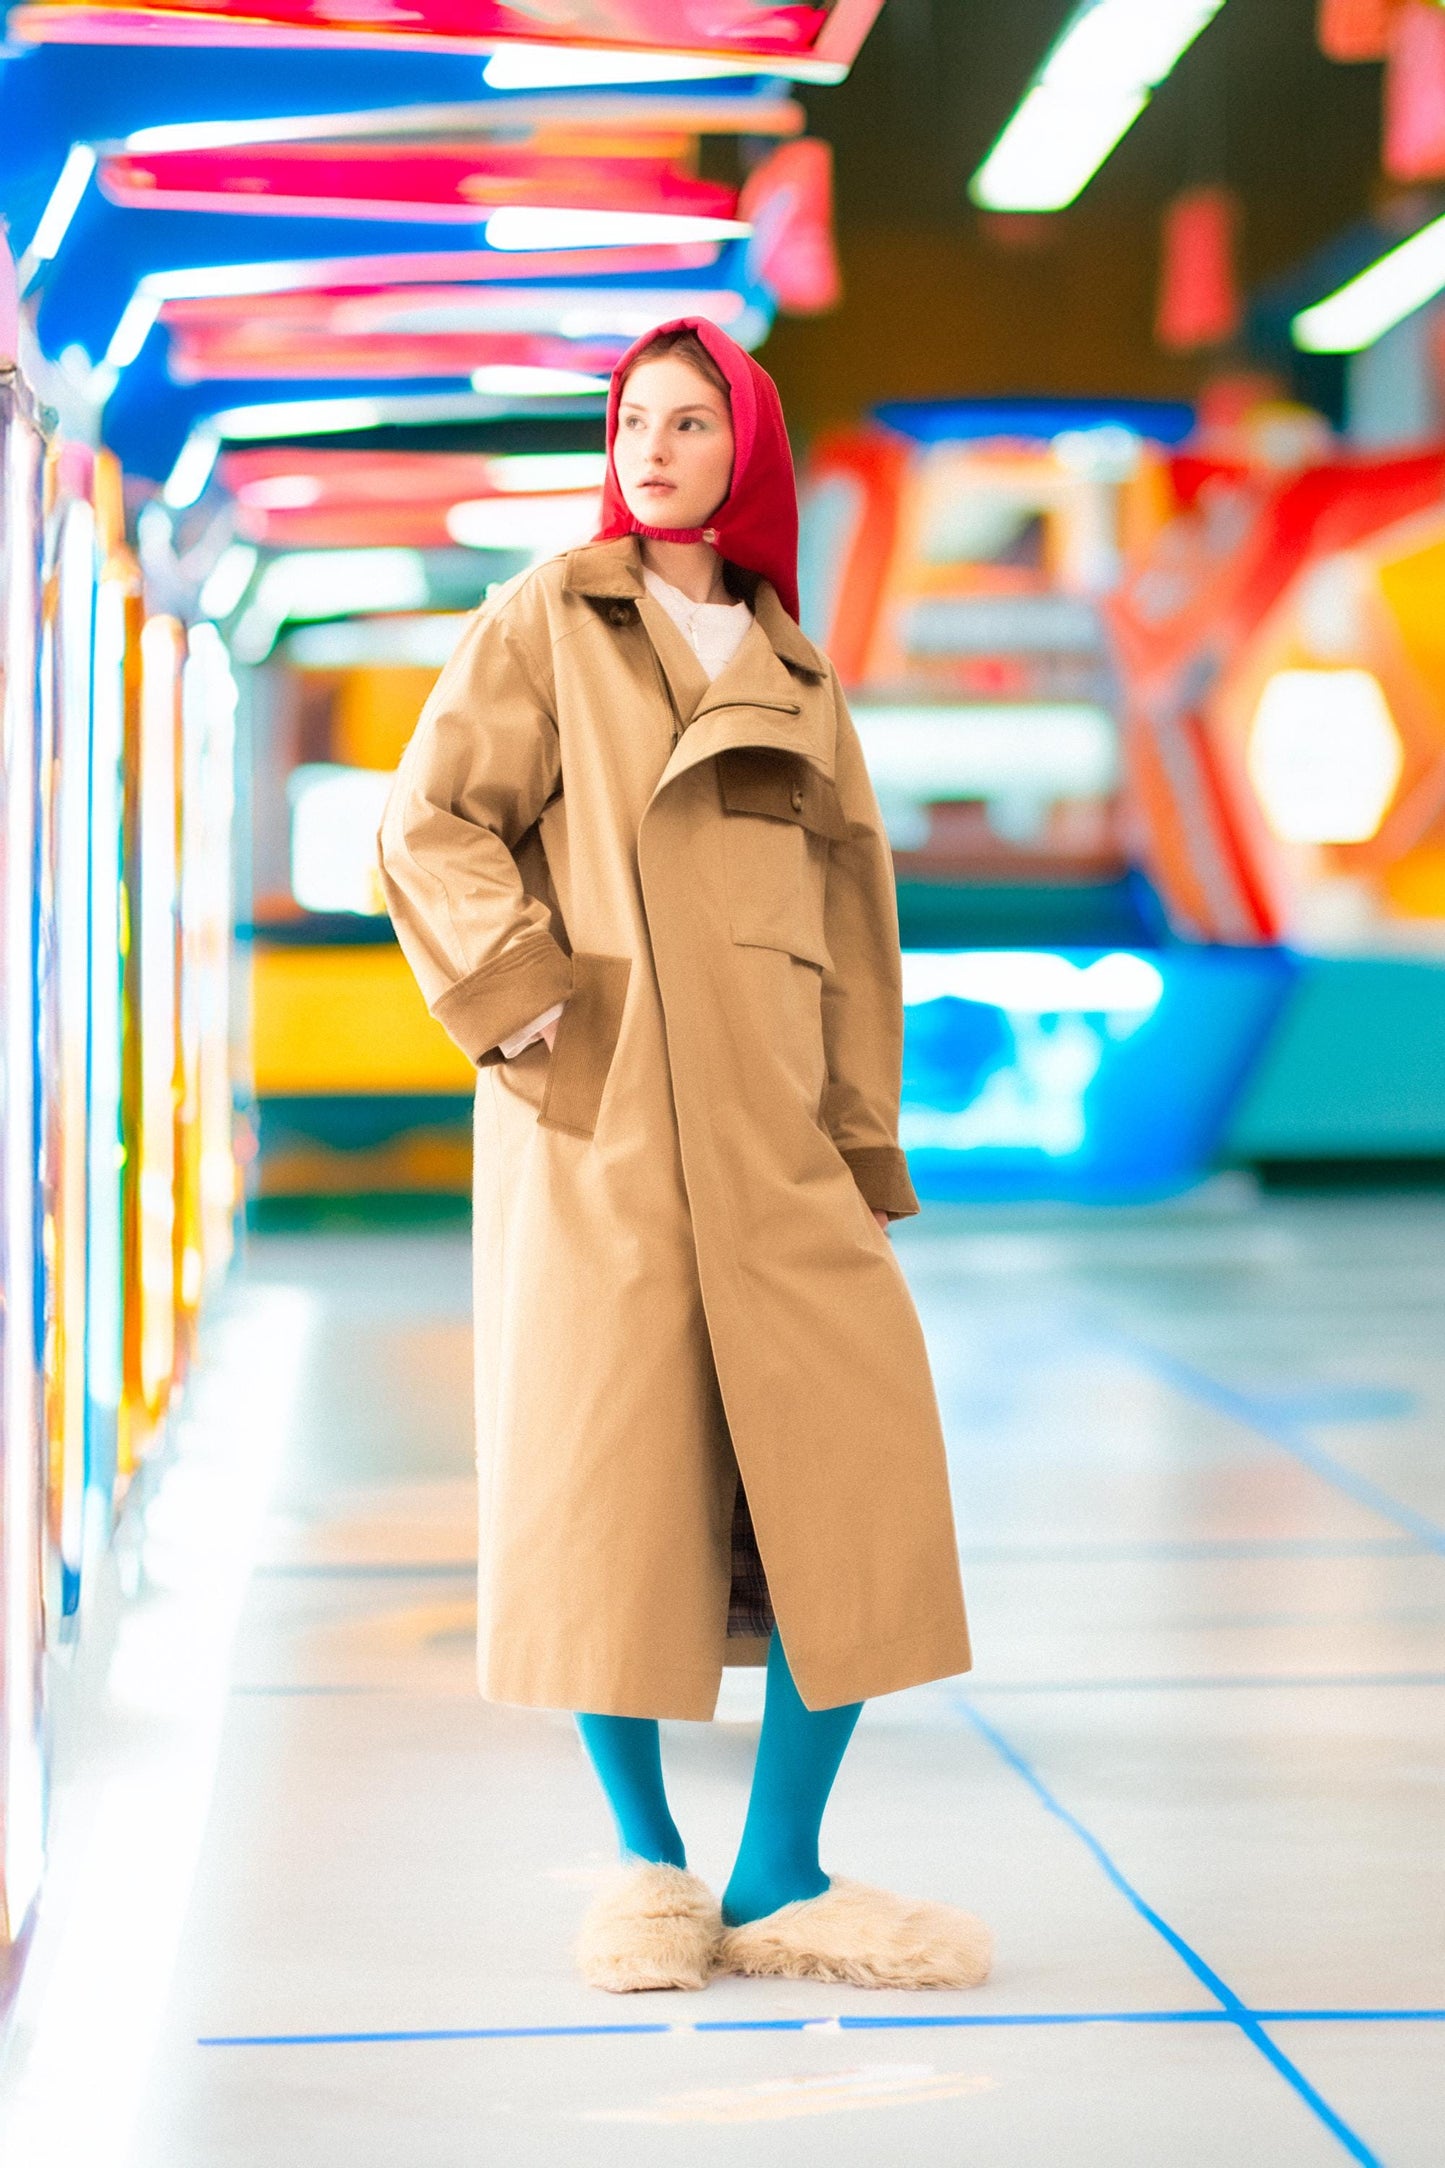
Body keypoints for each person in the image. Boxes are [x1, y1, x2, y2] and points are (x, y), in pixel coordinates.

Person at [378, 317, 989, 1994]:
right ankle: (647, 1864)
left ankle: (781, 1867)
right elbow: (426, 821)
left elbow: (857, 928)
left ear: (744, 453)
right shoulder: (545, 618)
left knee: (849, 1488)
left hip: (779, 1144)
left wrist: (857, 1139)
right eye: (633, 420)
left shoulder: (800, 676)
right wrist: (530, 1021)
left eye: (688, 422)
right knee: (610, 1492)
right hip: (604, 1134)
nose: (650, 447)